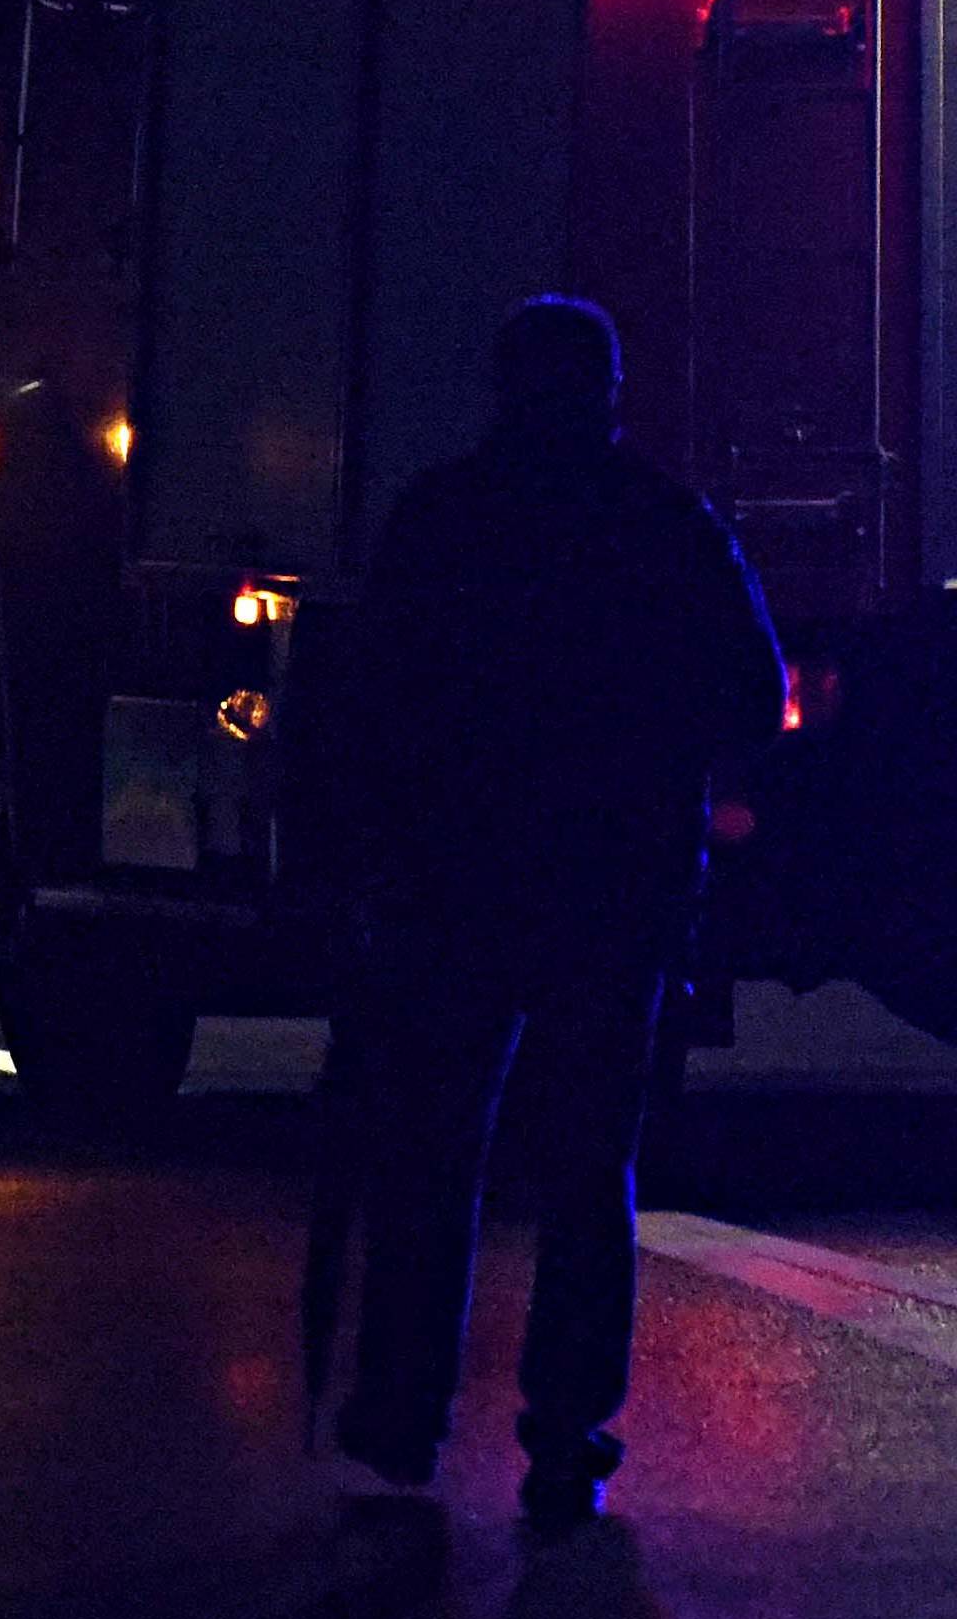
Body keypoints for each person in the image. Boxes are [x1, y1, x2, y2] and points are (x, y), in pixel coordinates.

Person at [315, 296, 786, 1524]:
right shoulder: (665, 525)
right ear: (611, 393)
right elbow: (749, 692)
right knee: (588, 1166)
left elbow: (371, 705)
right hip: (613, 887)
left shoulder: (444, 517)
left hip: (458, 884)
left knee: (433, 1149)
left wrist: (376, 861)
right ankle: (569, 1429)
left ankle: (401, 1412)